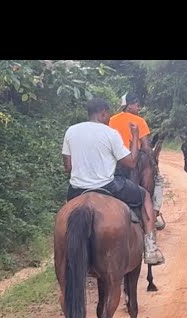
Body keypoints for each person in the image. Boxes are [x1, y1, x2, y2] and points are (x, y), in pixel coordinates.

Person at [61, 97, 163, 265]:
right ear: (102, 113)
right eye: (107, 114)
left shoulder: (71, 131)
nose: (108, 118)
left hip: (76, 189)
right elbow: (130, 163)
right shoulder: (109, 133)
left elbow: (68, 166)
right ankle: (151, 249)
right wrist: (135, 136)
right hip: (107, 186)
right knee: (145, 196)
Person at [109, 92, 165, 231]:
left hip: (115, 161)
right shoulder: (139, 121)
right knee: (158, 180)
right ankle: (155, 213)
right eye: (137, 104)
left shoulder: (111, 120)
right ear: (129, 105)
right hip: (134, 160)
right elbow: (145, 147)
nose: (138, 108)